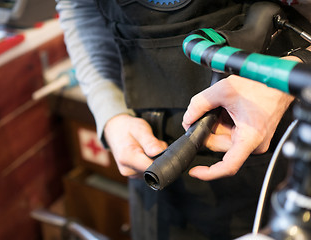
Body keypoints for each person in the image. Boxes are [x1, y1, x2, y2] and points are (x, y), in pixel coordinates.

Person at [56, 0, 311, 239]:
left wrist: (280, 84)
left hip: (265, 146)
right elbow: (80, 8)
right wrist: (111, 113)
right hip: (149, 160)